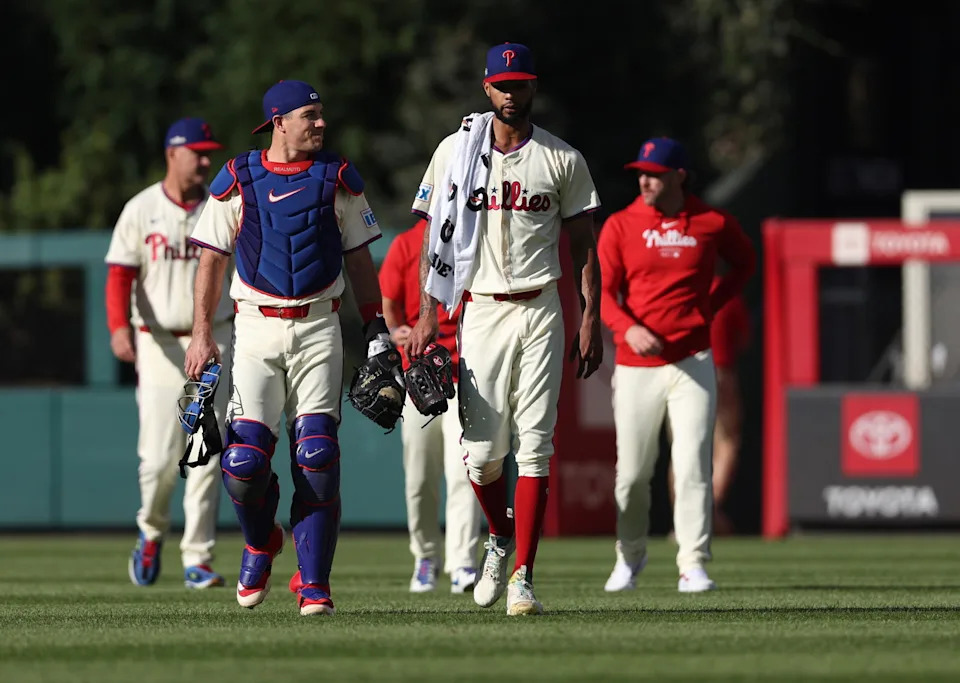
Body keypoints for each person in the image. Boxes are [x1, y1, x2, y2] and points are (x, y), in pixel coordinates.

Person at [406, 42, 603, 616]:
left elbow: (583, 245)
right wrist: (425, 312)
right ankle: (498, 535)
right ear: (486, 90)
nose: (511, 94)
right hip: (482, 309)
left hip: (542, 306)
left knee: (536, 446)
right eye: (502, 85)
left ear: (533, 87)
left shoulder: (562, 158)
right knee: (482, 455)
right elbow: (432, 236)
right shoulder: (455, 152)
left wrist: (591, 314)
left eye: (520, 84)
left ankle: (524, 576)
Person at [184, 79, 389, 616]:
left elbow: (361, 259)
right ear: (278, 121)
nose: (320, 124)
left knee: (317, 455)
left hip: (320, 326)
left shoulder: (337, 177)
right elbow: (210, 258)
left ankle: (315, 583)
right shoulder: (239, 177)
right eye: (309, 115)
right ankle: (261, 542)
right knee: (243, 463)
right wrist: (202, 331)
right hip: (253, 327)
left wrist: (377, 328)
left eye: (321, 115)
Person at [597, 137, 755, 593]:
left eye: (655, 174)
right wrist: (627, 327)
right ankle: (629, 557)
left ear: (679, 177)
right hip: (635, 364)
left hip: (694, 360)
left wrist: (711, 306)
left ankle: (692, 562)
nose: (645, 180)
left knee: (692, 465)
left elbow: (745, 263)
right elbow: (604, 293)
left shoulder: (711, 220)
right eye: (641, 173)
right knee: (631, 473)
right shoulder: (621, 225)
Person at [105, 117, 232, 589]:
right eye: (196, 151)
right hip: (158, 342)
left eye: (208, 152)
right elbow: (120, 274)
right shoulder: (141, 208)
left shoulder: (220, 208)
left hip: (216, 337)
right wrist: (119, 327)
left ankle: (198, 557)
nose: (204, 160)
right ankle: (151, 530)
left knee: (205, 452)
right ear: (171, 153)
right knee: (159, 459)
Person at [379, 218, 483, 594]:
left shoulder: (475, 235)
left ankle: (463, 562)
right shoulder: (407, 244)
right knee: (420, 478)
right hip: (418, 377)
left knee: (463, 474)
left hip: (465, 374)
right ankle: (426, 557)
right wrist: (395, 331)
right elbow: (387, 303)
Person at [668, 280, 751, 535]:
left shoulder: (678, 291)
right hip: (718, 369)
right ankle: (706, 513)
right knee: (726, 443)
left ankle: (686, 520)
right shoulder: (727, 293)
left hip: (681, 371)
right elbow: (744, 339)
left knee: (682, 447)